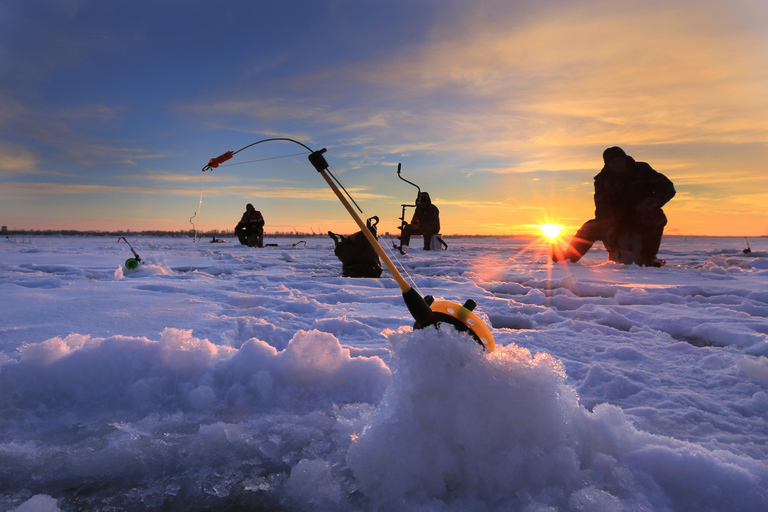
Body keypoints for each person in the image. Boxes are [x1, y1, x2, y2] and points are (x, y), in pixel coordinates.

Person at [557, 147, 675, 266]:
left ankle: (649, 258)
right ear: (608, 165)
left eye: (620, 160)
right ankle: (568, 258)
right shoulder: (602, 180)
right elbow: (601, 206)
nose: (618, 164)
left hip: (642, 215)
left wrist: (649, 204)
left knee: (657, 217)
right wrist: (610, 225)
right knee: (590, 227)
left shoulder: (642, 170)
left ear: (625, 159)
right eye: (614, 162)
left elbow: (668, 188)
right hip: (616, 220)